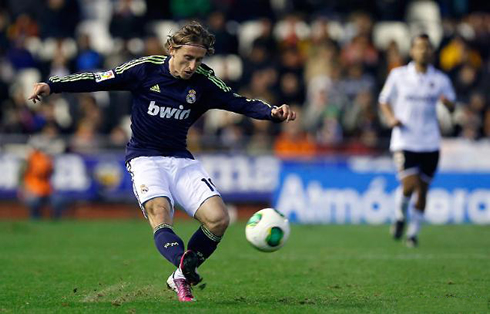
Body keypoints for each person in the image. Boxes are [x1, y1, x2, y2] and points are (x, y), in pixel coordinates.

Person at [28, 21, 296, 301]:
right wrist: (52, 85)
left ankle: (180, 273)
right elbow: (98, 80)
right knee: (160, 212)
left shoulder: (204, 82)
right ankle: (185, 268)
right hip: (144, 158)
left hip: (181, 159)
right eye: (187, 58)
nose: (192, 66)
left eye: (198, 59)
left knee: (219, 219)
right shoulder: (144, 69)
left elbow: (238, 102)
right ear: (171, 50)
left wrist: (272, 112)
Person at [378, 34, 455, 248]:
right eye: (419, 47)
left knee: (423, 189)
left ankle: (413, 234)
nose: (424, 51)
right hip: (405, 139)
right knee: (409, 185)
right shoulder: (398, 75)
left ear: (432, 52)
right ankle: (399, 215)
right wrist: (391, 118)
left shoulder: (440, 79)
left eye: (427, 48)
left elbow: (452, 106)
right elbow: (383, 100)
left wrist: (448, 104)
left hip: (430, 141)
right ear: (412, 51)